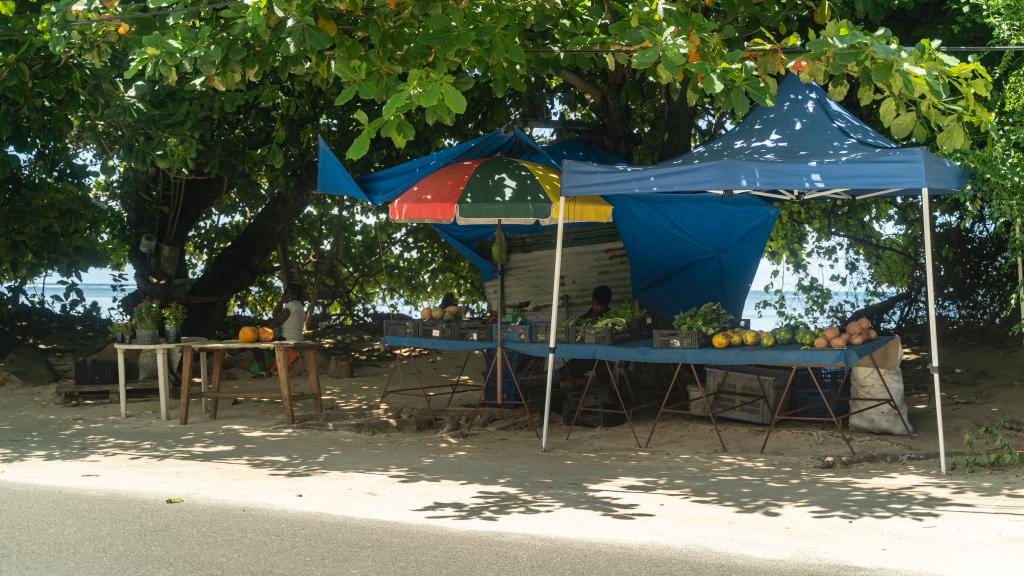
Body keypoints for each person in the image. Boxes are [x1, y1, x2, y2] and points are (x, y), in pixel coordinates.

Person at [253, 283, 306, 376]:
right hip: (298, 339)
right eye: (285, 294)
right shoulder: (300, 306)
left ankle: (263, 371)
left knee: (256, 344)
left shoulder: (291, 306)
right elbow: (275, 314)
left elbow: (275, 322)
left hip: (287, 340)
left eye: (287, 294)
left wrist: (259, 332)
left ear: (294, 295)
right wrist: (281, 301)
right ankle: (273, 368)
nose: (285, 296)